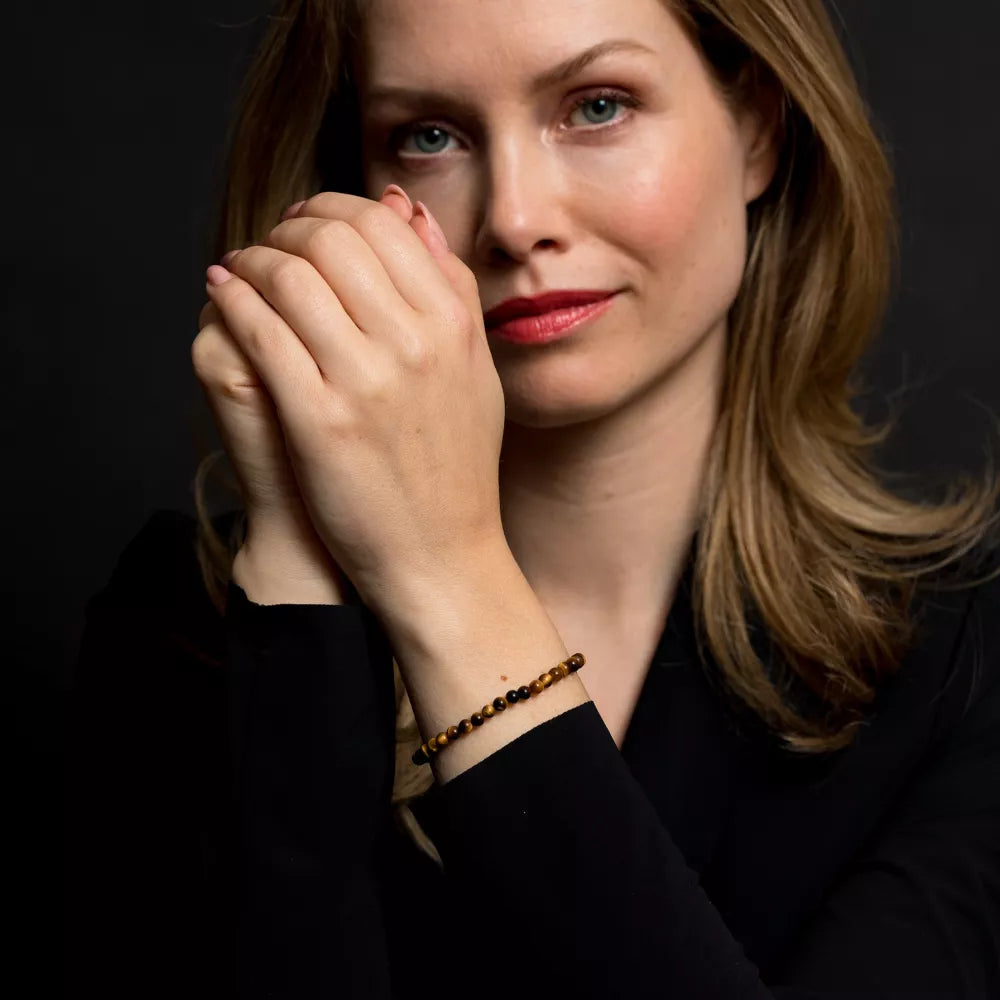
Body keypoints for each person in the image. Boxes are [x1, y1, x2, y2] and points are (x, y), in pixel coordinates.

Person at [65, 0, 1000, 996]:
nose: (513, 219)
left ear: (759, 130)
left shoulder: (969, 661)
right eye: (429, 135)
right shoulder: (192, 628)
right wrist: (303, 553)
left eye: (598, 106)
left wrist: (447, 575)